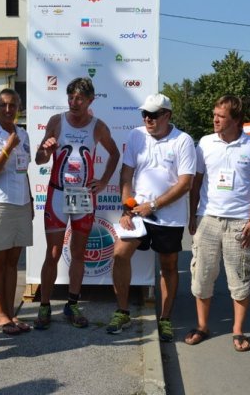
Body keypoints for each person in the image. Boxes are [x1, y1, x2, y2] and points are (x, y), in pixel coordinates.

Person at [106, 93, 196, 342]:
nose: (147, 119)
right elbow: (126, 175)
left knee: (168, 266)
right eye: (144, 114)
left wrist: (154, 205)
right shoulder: (136, 135)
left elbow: (185, 183)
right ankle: (123, 312)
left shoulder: (183, 140)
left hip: (169, 217)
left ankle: (165, 319)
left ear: (167, 115)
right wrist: (127, 206)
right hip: (138, 213)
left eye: (153, 115)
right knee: (119, 254)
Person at [33, 77, 120, 330]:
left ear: (90, 100)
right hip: (58, 193)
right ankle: (44, 306)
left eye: (80, 98)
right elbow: (39, 160)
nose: (74, 102)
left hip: (82, 194)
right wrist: (46, 150)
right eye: (70, 97)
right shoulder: (56, 121)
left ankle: (72, 304)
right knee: (53, 252)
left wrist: (103, 181)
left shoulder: (98, 126)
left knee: (79, 253)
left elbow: (114, 153)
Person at [186, 95, 250, 351]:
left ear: (236, 120)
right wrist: (192, 215)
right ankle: (202, 326)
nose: (215, 120)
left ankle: (238, 331)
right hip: (208, 219)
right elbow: (197, 182)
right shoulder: (205, 143)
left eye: (221, 116)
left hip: (239, 222)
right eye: (214, 114)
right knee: (202, 275)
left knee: (240, 278)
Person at [0, 89, 33, 335]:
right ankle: (0, 315)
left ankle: (11, 314)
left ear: (18, 107)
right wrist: (7, 148)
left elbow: (23, 171)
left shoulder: (24, 134)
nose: (8, 110)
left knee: (13, 263)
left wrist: (29, 199)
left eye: (12, 105)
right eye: (3, 105)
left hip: (21, 203)